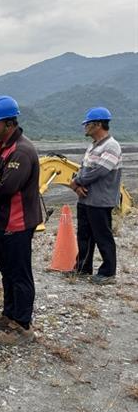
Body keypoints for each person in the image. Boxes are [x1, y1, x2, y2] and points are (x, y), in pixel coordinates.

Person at [0, 95, 41, 346]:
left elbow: (7, 187)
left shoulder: (22, 151)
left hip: (18, 223)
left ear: (9, 124)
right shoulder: (1, 147)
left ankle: (23, 326)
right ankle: (9, 315)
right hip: (1, 222)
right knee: (6, 270)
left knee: (20, 274)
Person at [69, 107, 122, 285]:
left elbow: (99, 171)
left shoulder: (111, 146)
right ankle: (82, 268)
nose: (85, 127)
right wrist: (76, 185)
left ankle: (108, 273)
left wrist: (77, 182)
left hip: (100, 200)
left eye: (88, 124)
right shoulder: (93, 146)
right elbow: (82, 168)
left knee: (102, 236)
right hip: (86, 199)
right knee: (84, 235)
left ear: (98, 125)